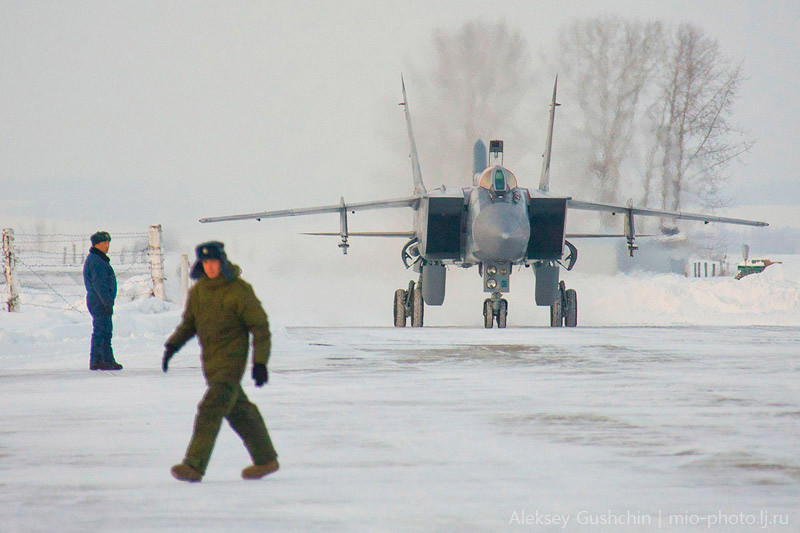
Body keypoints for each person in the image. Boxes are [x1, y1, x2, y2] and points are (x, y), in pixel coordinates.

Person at [162, 241, 278, 482]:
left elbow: (260, 327)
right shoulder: (199, 292)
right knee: (240, 412)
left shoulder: (238, 290)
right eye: (206, 263)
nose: (210, 267)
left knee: (210, 409)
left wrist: (260, 363)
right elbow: (189, 325)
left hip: (231, 365)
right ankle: (266, 460)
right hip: (212, 365)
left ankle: (194, 466)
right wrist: (172, 346)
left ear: (222, 263)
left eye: (214, 262)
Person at [83, 231, 122, 371]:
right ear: (97, 244)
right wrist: (107, 302)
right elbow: (100, 285)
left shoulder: (99, 259)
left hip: (101, 301)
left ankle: (107, 359)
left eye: (108, 242)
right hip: (99, 302)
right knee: (101, 330)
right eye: (105, 243)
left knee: (106, 330)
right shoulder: (96, 261)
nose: (107, 245)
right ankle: (97, 360)